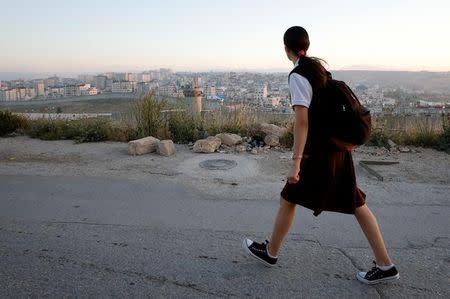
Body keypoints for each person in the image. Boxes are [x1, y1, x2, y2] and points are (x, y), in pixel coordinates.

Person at [242, 26, 399, 285]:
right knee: (355, 203)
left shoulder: (298, 75)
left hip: (319, 152)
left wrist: (296, 163)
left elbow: (302, 123)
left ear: (286, 49)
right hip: (336, 150)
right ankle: (385, 264)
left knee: (289, 197)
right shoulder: (318, 69)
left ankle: (271, 253)